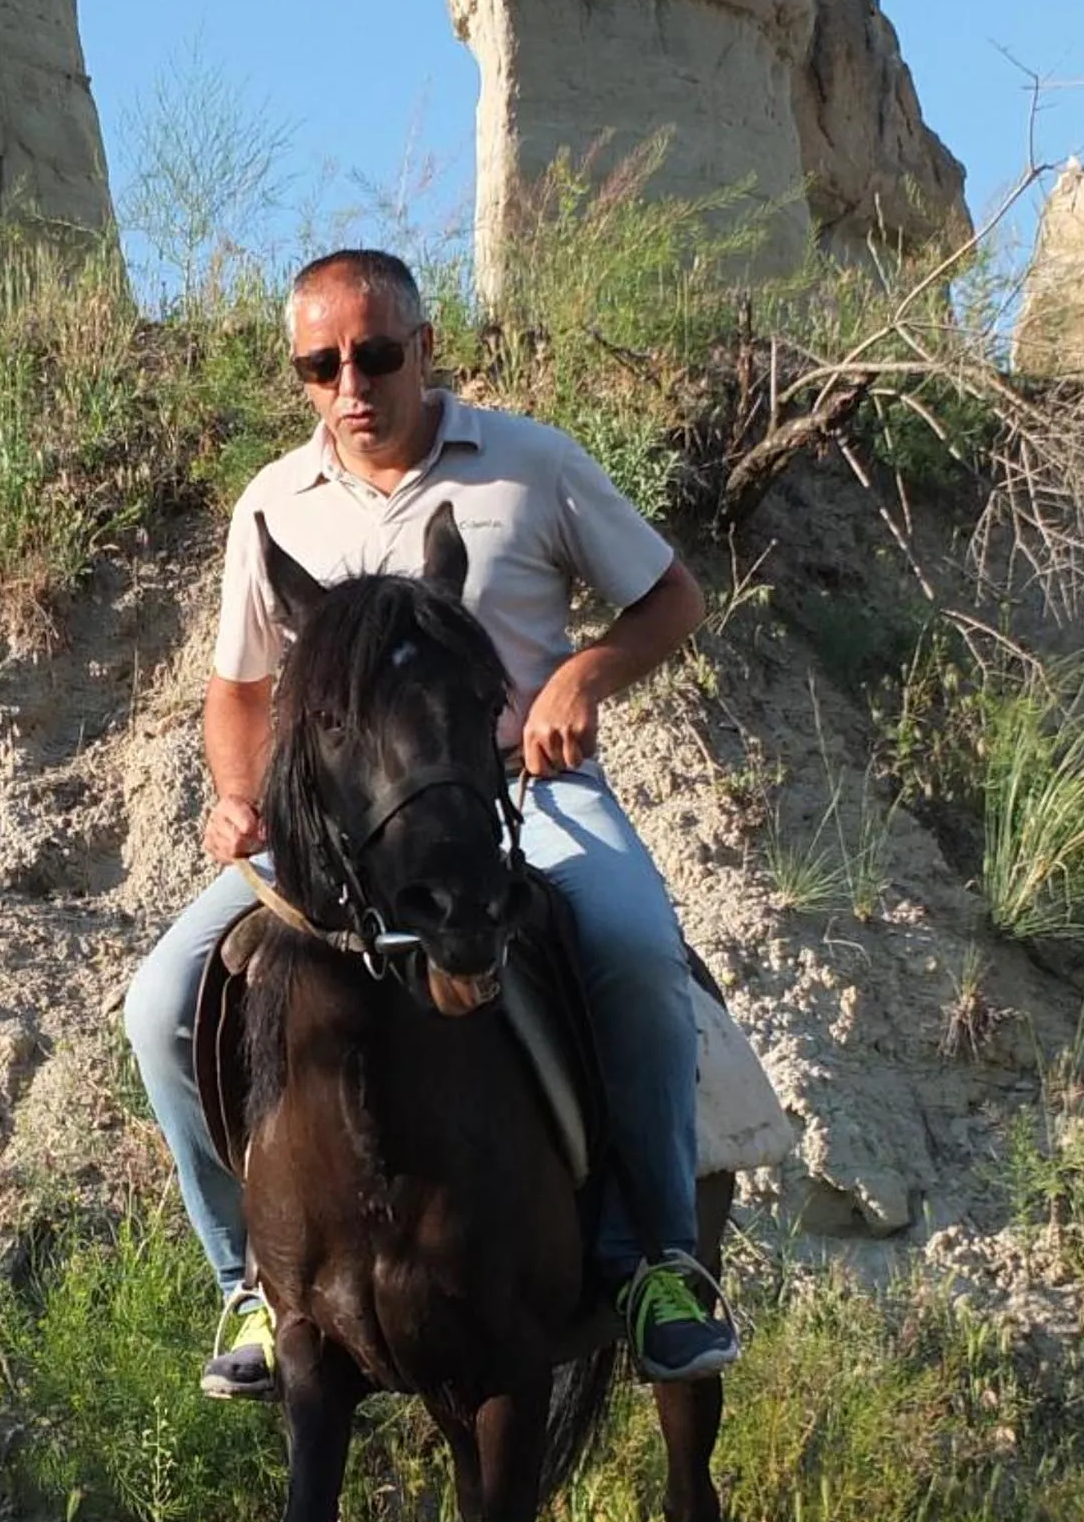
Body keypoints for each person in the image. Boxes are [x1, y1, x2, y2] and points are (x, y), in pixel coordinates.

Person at [123, 246, 740, 1399]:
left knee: (635, 951)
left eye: (373, 354)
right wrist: (238, 792)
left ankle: (660, 1264)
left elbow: (673, 598)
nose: (350, 385)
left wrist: (580, 678)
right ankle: (250, 1280)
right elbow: (239, 688)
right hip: (341, 832)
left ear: (424, 347)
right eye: (320, 365)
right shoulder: (273, 501)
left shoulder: (532, 463)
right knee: (157, 1003)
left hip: (521, 792)